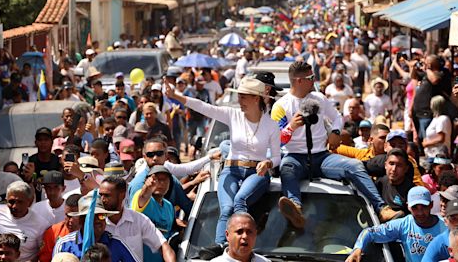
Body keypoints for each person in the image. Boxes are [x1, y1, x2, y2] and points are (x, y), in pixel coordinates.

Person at [271, 61, 403, 229]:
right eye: (311, 78)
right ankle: (295, 209)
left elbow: (338, 117)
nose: (314, 81)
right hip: (295, 157)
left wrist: (335, 133)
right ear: (299, 81)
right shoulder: (280, 106)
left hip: (321, 156)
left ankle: (382, 209)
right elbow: (278, 140)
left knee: (355, 166)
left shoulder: (319, 98)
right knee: (286, 168)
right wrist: (292, 126)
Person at [166, 77, 280, 257]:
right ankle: (221, 246)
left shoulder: (271, 125)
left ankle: (243, 245)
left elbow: (276, 157)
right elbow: (204, 107)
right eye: (239, 97)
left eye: (243, 97)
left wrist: (268, 163)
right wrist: (177, 96)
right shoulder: (233, 115)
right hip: (230, 170)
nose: (240, 101)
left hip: (256, 172)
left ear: (256, 98)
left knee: (240, 200)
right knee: (226, 209)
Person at [346, 186, 447, 262]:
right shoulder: (403, 225)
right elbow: (369, 232)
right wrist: (357, 249)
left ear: (431, 205)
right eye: (415, 208)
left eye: (424, 207)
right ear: (408, 207)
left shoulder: (446, 227)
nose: (420, 213)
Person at [99, 176, 175, 262]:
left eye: (107, 195)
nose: (102, 200)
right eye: (100, 195)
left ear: (122, 195)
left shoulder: (139, 220)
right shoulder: (96, 222)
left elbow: (163, 246)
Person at [53, 192, 137, 262]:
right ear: (81, 220)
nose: (98, 220)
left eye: (101, 216)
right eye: (92, 217)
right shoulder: (64, 245)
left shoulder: (117, 243)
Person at [0, 181, 50, 262]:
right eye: (11, 202)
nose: (15, 206)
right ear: (6, 200)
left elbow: (43, 253)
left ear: (30, 201)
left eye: (20, 202)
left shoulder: (41, 224)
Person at [38, 194, 82, 262]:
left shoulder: (93, 233)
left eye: (75, 216)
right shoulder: (52, 232)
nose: (70, 220)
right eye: (67, 216)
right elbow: (44, 259)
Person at [23, 127, 61, 201]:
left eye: (46, 140)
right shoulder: (29, 162)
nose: (43, 143)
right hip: (33, 200)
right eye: (40, 140)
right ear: (35, 142)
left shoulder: (57, 161)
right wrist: (28, 178)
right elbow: (23, 185)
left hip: (53, 199)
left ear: (52, 142)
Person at [375, 148, 416, 214]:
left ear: (406, 168)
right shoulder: (380, 183)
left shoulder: (411, 191)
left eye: (399, 165)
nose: (394, 169)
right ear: (385, 165)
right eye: (391, 164)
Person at [423, 95, 452, 161]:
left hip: (439, 155)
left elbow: (441, 138)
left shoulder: (442, 119)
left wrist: (426, 143)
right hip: (431, 154)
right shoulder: (435, 119)